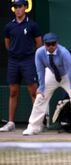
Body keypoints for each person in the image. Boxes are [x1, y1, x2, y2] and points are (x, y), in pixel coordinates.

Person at [22, 32, 71, 136]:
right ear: (44, 44)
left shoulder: (64, 52)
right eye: (48, 44)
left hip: (69, 74)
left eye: (53, 44)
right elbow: (40, 71)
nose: (50, 46)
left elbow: (70, 70)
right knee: (40, 96)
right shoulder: (39, 53)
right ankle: (34, 126)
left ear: (57, 43)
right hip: (52, 73)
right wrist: (41, 87)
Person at [0, 0, 42, 132]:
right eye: (15, 7)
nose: (18, 9)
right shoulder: (9, 26)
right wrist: (15, 53)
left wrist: (28, 55)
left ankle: (37, 123)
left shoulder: (32, 25)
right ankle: (11, 122)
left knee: (33, 92)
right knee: (13, 92)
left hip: (28, 61)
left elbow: (39, 44)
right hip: (13, 61)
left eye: (20, 7)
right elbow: (7, 44)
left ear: (25, 8)